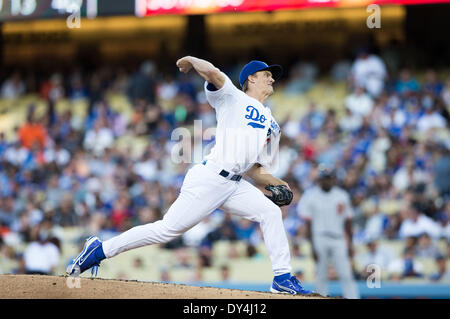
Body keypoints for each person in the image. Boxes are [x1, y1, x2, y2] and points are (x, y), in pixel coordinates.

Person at [67, 57, 311, 295]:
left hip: (235, 184)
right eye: (267, 74)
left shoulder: (270, 121)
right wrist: (192, 60)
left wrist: (280, 184)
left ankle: (281, 277)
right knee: (166, 230)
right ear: (251, 78)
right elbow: (213, 73)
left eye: (272, 76)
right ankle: (100, 249)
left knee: (270, 212)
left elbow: (254, 169)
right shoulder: (233, 97)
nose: (272, 79)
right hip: (211, 178)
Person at [298, 165, 360, 299]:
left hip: (338, 238)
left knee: (346, 274)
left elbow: (348, 222)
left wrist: (351, 244)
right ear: (319, 180)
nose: (327, 181)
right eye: (324, 178)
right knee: (321, 274)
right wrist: (312, 246)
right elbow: (308, 223)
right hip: (319, 237)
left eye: (329, 178)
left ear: (334, 179)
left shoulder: (342, 195)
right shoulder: (311, 195)